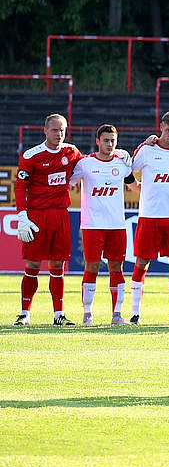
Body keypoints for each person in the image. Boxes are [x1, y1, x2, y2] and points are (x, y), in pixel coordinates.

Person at [14, 113, 81, 326]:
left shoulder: (71, 151)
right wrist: (22, 215)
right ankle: (25, 314)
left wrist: (116, 153)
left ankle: (58, 315)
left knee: (58, 265)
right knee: (32, 264)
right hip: (37, 215)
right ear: (45, 131)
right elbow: (20, 187)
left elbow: (91, 162)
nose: (59, 134)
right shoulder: (32, 156)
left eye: (62, 130)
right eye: (54, 130)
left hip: (60, 215)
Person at [129, 111, 169, 325]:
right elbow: (130, 169)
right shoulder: (148, 150)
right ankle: (135, 314)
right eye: (168, 130)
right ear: (160, 127)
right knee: (142, 262)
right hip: (150, 215)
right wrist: (142, 144)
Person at [70, 125, 135, 325]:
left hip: (116, 225)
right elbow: (67, 183)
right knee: (92, 266)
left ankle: (117, 314)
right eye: (105, 140)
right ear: (97, 141)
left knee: (117, 267)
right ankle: (87, 313)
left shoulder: (122, 163)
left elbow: (135, 186)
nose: (109, 144)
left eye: (113, 141)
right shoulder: (85, 164)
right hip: (92, 225)